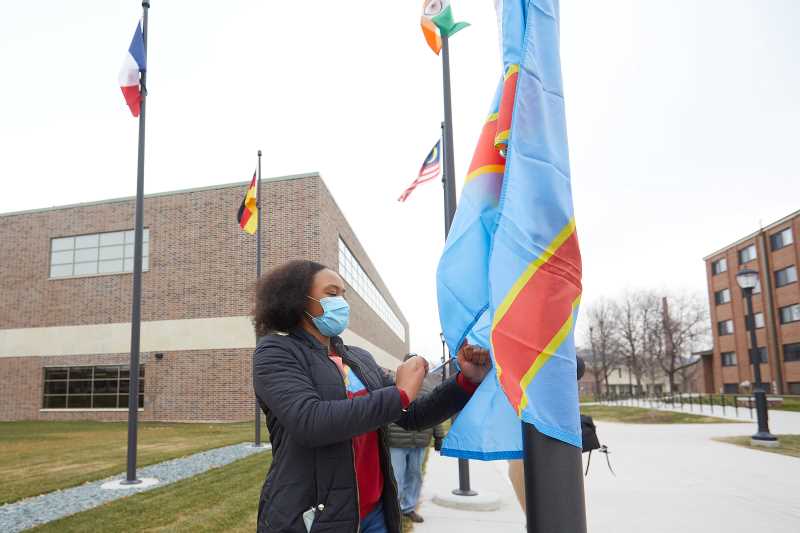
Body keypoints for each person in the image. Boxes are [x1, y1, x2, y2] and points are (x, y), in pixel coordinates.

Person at [252, 260, 491, 533]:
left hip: (375, 514)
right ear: (298, 300)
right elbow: (310, 422)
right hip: (314, 520)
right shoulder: (276, 352)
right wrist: (399, 393)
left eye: (343, 294)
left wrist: (465, 381)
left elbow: (411, 415)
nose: (341, 302)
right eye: (332, 294)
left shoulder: (358, 359)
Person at [386, 354, 447, 524]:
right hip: (397, 441)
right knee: (396, 477)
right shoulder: (393, 384)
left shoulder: (428, 388)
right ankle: (394, 509)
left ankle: (409, 507)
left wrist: (439, 436)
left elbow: (435, 413)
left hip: (420, 442)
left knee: (415, 475)